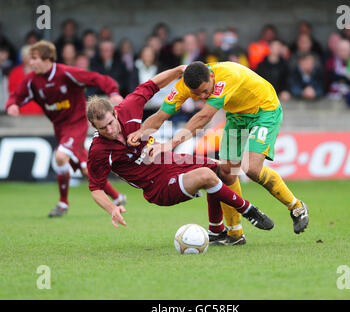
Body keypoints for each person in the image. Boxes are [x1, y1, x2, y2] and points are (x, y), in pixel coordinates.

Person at [127, 61, 309, 242]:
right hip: (236, 117)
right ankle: (235, 233)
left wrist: (171, 143)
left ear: (211, 77)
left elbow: (204, 117)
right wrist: (139, 134)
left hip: (264, 110)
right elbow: (160, 115)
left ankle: (297, 207)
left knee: (252, 169)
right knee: (226, 172)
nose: (204, 96)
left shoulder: (227, 77)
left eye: (206, 91)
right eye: (198, 95)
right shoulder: (184, 86)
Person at [87, 66, 274, 239]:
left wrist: (178, 71)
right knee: (206, 175)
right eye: (102, 128)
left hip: (171, 161)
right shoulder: (98, 150)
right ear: (94, 127)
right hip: (157, 186)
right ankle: (248, 210)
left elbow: (152, 85)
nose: (110, 130)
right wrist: (112, 208)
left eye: (111, 123)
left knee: (222, 170)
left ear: (115, 114)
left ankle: (216, 231)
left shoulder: (128, 108)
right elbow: (95, 188)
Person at [5, 40, 126, 217]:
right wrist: (12, 105)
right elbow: (16, 96)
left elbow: (96, 78)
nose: (30, 63)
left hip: (76, 123)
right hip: (60, 128)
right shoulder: (31, 80)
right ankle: (117, 197)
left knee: (60, 156)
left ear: (47, 59)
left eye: (34, 58)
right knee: (86, 169)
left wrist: (113, 92)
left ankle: (63, 203)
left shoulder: (66, 73)